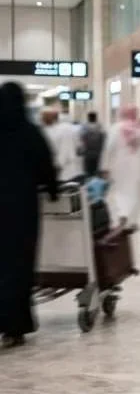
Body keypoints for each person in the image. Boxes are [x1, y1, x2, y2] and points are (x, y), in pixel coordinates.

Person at [0, 83, 57, 347]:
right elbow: (45, 165)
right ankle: (15, 326)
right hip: (22, 208)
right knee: (19, 264)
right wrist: (53, 189)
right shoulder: (29, 132)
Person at [100, 105, 140, 230]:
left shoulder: (115, 129)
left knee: (121, 190)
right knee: (135, 192)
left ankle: (122, 214)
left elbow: (108, 148)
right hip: (137, 166)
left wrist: (105, 167)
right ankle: (132, 220)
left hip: (119, 165)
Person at [42, 107, 83, 182]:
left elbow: (55, 151)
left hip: (59, 171)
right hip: (73, 170)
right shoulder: (74, 129)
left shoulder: (51, 131)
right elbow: (79, 147)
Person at [80, 111, 106, 178]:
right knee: (97, 170)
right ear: (96, 118)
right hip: (98, 153)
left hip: (88, 153)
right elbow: (103, 139)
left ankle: (89, 182)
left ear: (88, 118)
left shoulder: (84, 127)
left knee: (88, 171)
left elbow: (82, 139)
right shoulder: (100, 127)